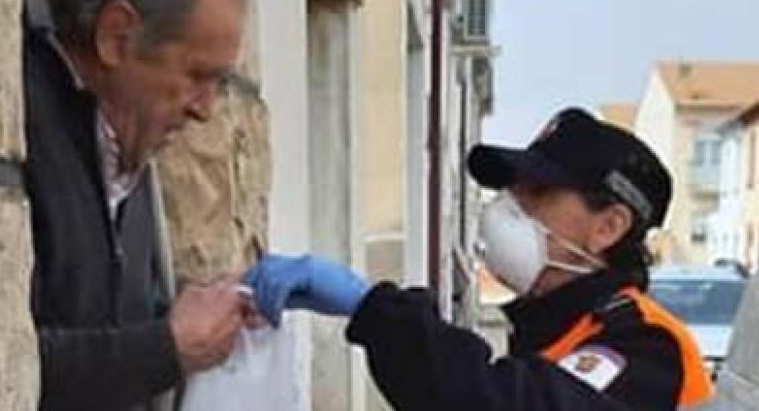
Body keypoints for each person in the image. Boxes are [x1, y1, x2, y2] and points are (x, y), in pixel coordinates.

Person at [247, 107, 716, 410]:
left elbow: (496, 404)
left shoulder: (645, 345)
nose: (508, 208)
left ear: (608, 227)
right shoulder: (562, 328)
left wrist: (372, 305)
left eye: (536, 193)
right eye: (510, 191)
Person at [24, 0, 255, 411]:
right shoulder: (12, 131)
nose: (205, 108)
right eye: (197, 74)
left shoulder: (126, 148)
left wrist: (213, 312)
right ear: (116, 36)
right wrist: (166, 347)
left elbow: (112, 321)